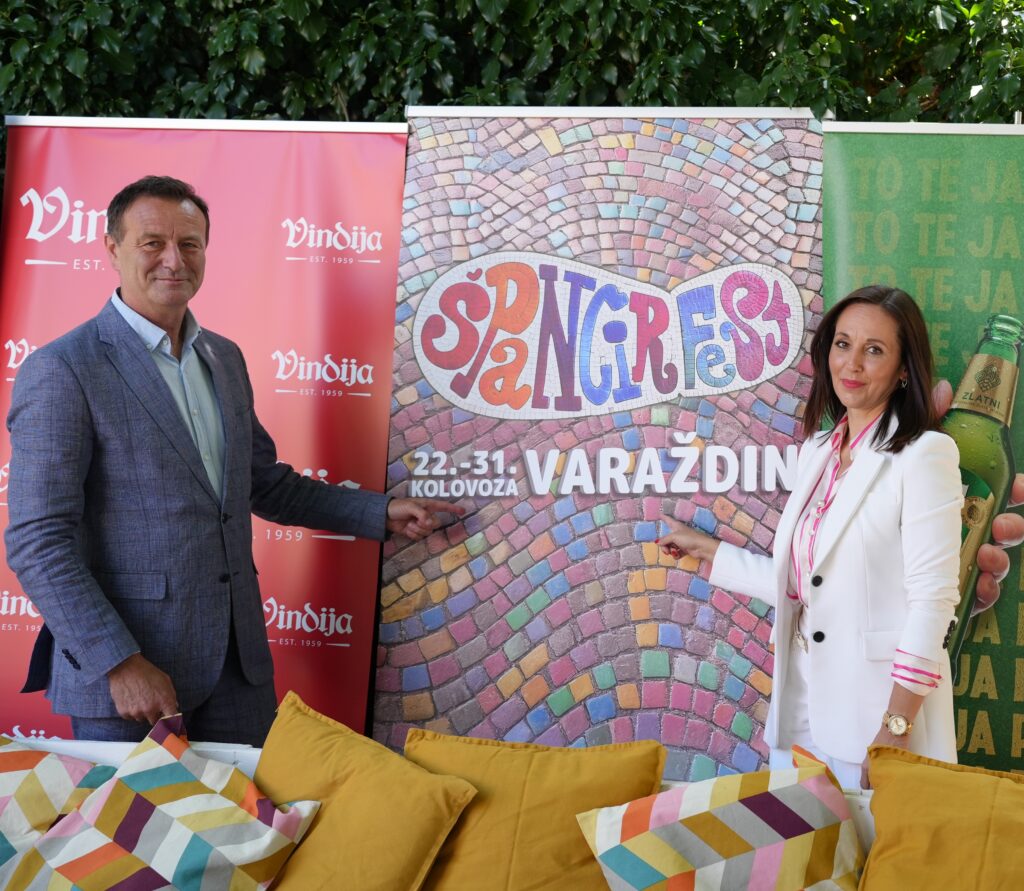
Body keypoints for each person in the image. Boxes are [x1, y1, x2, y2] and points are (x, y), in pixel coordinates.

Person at [4, 175, 462, 747]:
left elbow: (264, 484)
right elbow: (38, 540)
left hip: (237, 670)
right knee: (136, 813)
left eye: (189, 244)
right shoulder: (64, 368)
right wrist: (118, 663)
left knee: (244, 810)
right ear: (112, 249)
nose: (174, 260)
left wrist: (380, 512)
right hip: (129, 679)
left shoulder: (223, 358)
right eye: (152, 243)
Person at [657, 285, 1023, 789]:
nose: (852, 363)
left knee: (872, 841)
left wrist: (894, 729)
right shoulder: (819, 450)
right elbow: (813, 583)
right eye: (843, 344)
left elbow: (933, 603)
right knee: (800, 839)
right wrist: (711, 553)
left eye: (874, 350)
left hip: (876, 718)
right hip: (802, 706)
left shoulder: (925, 455)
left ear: (903, 370)